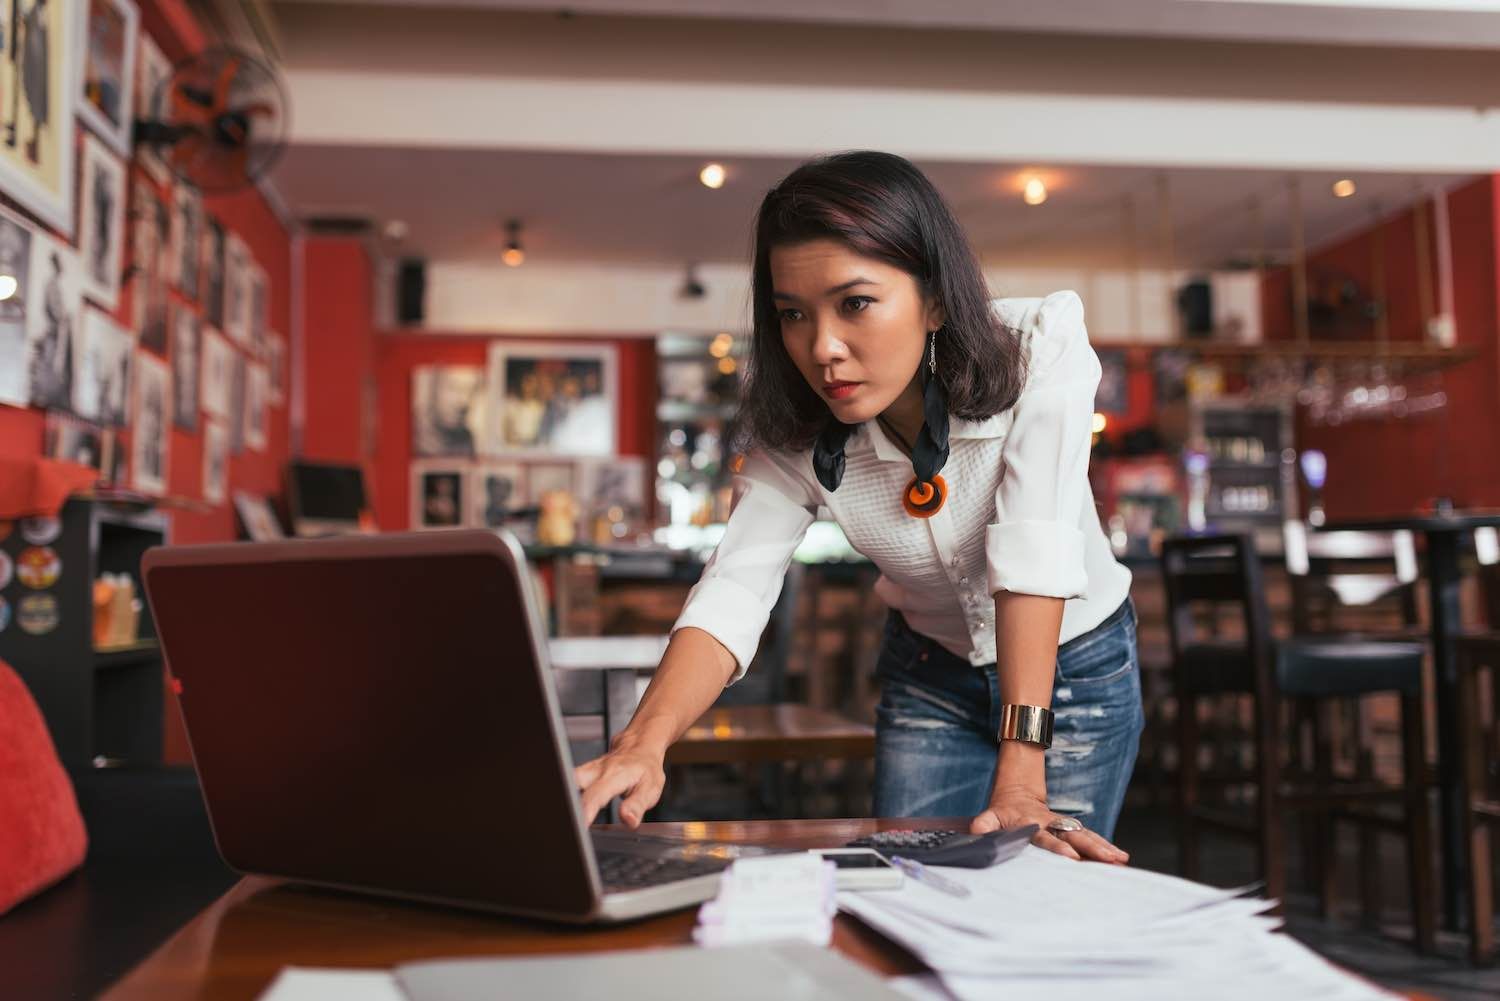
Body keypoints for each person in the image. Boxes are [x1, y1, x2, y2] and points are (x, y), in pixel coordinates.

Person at [575, 152, 1142, 863]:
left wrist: (1022, 768)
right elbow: (735, 586)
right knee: (912, 889)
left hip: (1071, 670)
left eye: (855, 303)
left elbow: (1034, 545)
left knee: (1047, 904)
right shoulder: (794, 428)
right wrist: (643, 741)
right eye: (792, 314)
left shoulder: (1038, 348)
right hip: (930, 673)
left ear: (934, 297)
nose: (822, 349)